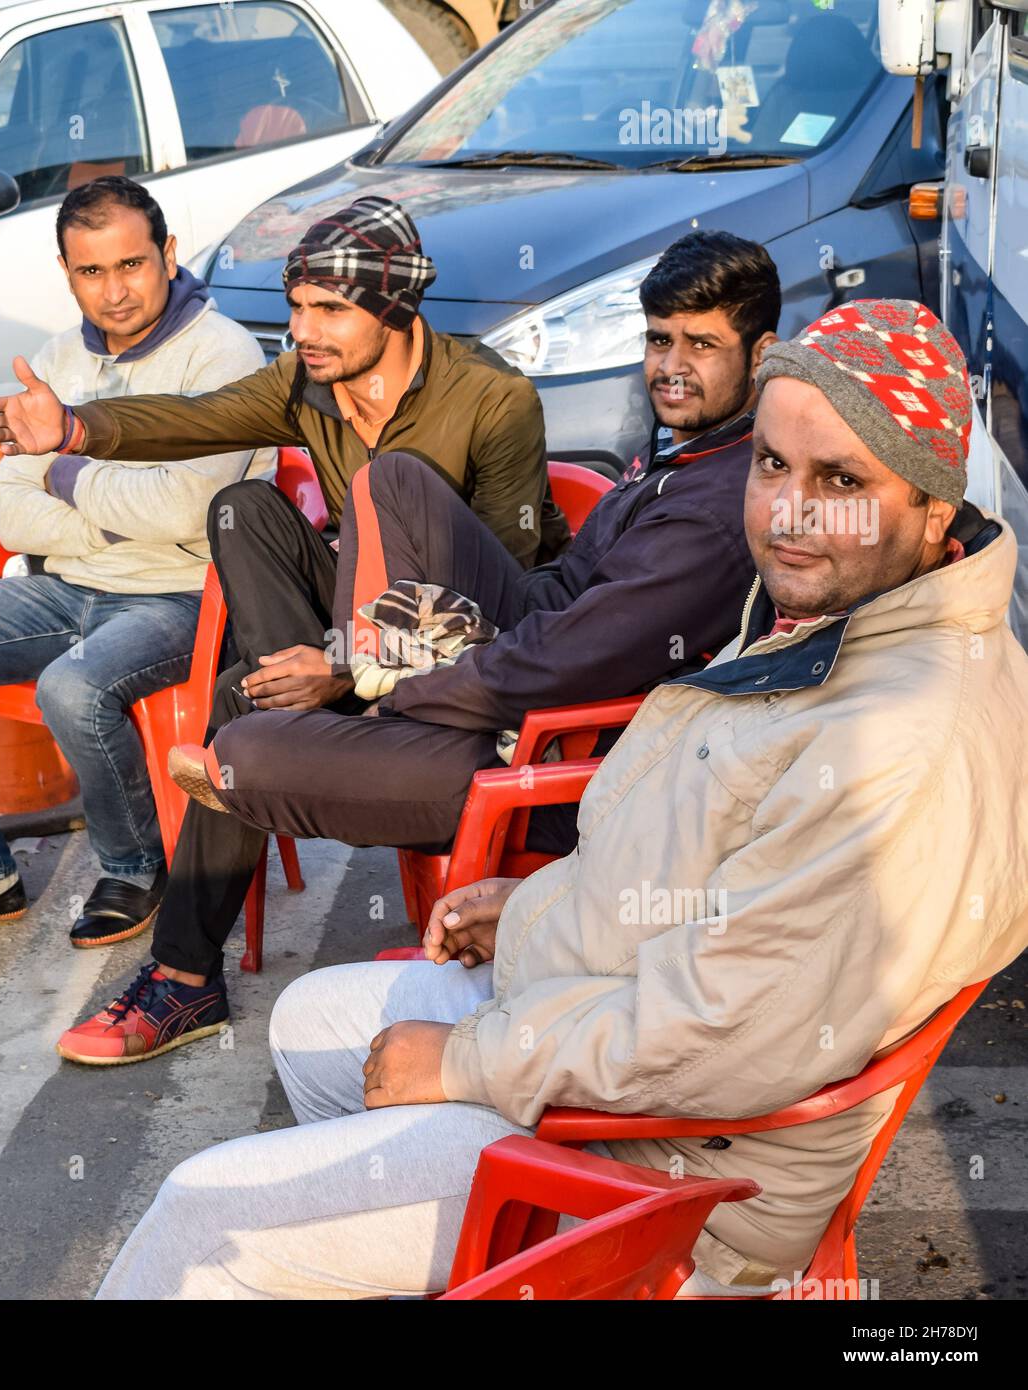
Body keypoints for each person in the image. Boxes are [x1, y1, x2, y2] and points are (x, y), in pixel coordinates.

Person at [95, 299, 1028, 1298]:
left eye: (841, 479)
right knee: (309, 1021)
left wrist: (466, 1061)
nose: (788, 512)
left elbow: (721, 1040)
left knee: (203, 1217)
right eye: (770, 465)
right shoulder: (848, 613)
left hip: (675, 1172)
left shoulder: (898, 742)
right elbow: (703, 876)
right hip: (616, 1026)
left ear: (934, 507)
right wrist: (532, 907)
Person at [53, 230, 781, 1066]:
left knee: (239, 731)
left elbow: (558, 659)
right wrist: (74, 429)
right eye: (659, 340)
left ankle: (185, 974)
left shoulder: (706, 506)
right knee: (362, 486)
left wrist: (372, 680)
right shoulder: (675, 459)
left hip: (545, 760)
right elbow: (552, 598)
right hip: (478, 661)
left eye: (701, 346)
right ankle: (333, 704)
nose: (671, 366)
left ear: (759, 355)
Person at [0, 178, 273, 945]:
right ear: (66, 271)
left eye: (132, 265)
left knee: (74, 686)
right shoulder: (57, 360)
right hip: (67, 589)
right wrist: (112, 517)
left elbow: (185, 513)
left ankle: (133, 869)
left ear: (168, 255)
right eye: (92, 272)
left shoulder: (221, 356)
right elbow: (15, 513)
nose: (115, 291)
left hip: (183, 598)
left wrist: (65, 472)